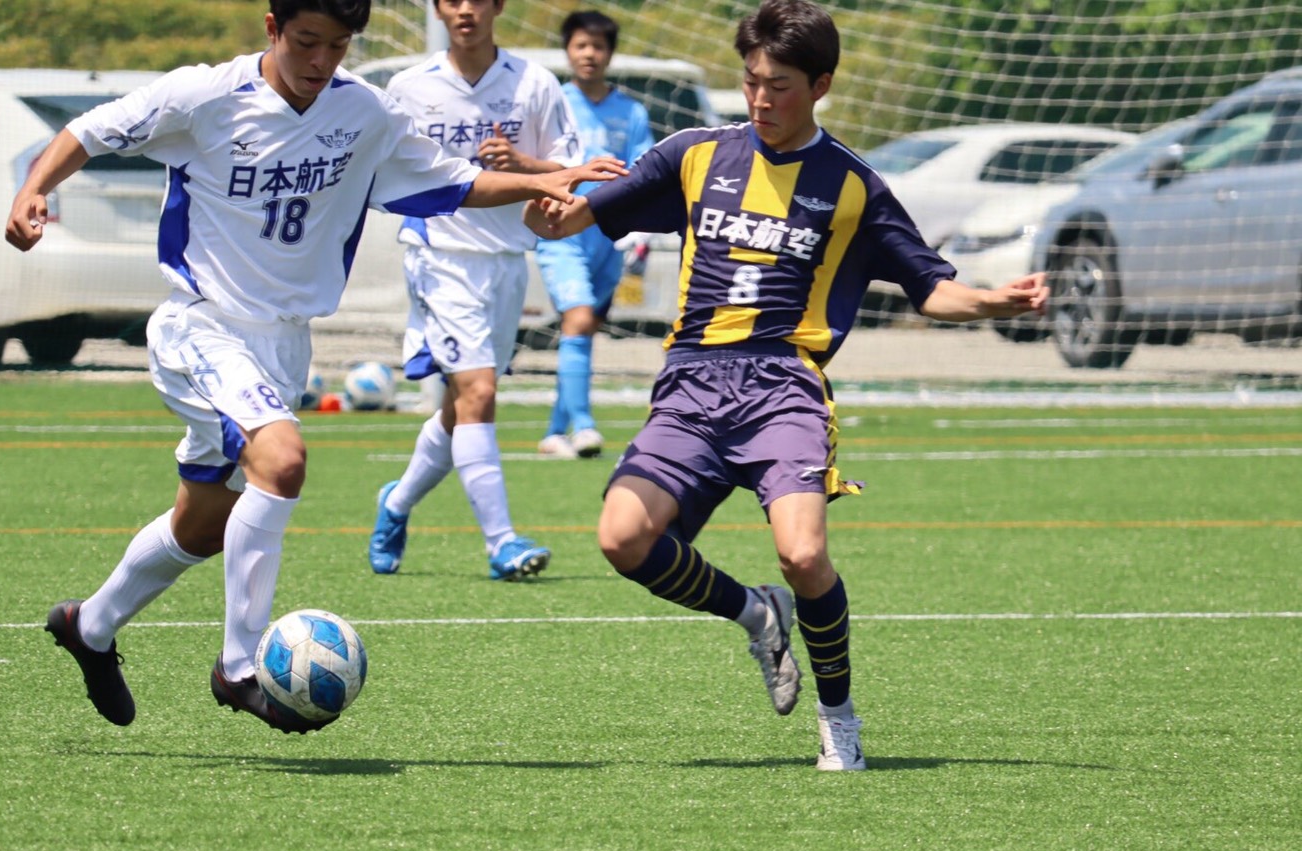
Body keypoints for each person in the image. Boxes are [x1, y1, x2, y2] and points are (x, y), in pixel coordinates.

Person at [6, 0, 621, 730]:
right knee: (283, 460)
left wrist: (544, 180)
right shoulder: (205, 96)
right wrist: (35, 188)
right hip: (201, 325)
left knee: (202, 527)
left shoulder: (365, 115)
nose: (320, 61)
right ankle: (238, 667)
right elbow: (89, 130)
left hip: (282, 342)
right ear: (272, 29)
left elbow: (453, 182)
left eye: (337, 46)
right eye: (305, 42)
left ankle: (91, 626)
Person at [525, 0, 1048, 769]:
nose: (762, 99)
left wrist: (995, 299)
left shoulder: (853, 187)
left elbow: (931, 288)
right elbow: (571, 219)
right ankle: (754, 615)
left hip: (783, 390)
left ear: (822, 85)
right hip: (693, 387)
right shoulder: (695, 155)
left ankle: (838, 718)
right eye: (751, 81)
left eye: (780, 86)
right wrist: (545, 216)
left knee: (803, 557)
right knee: (621, 538)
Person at [366, 0, 581, 581]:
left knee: (462, 407)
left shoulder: (534, 83)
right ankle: (502, 542)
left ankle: (397, 501)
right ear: (438, 9)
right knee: (480, 391)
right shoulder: (408, 86)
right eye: (452, 0)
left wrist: (522, 163)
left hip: (508, 260)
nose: (465, 10)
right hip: (439, 255)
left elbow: (568, 169)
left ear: (498, 6)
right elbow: (381, 165)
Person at [533, 10, 655, 460]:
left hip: (609, 236)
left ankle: (554, 431)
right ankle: (584, 427)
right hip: (561, 228)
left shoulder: (632, 112)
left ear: (609, 54)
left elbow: (644, 171)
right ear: (567, 50)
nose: (590, 54)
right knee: (579, 318)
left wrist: (638, 229)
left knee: (584, 329)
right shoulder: (552, 103)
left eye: (598, 47)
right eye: (581, 45)